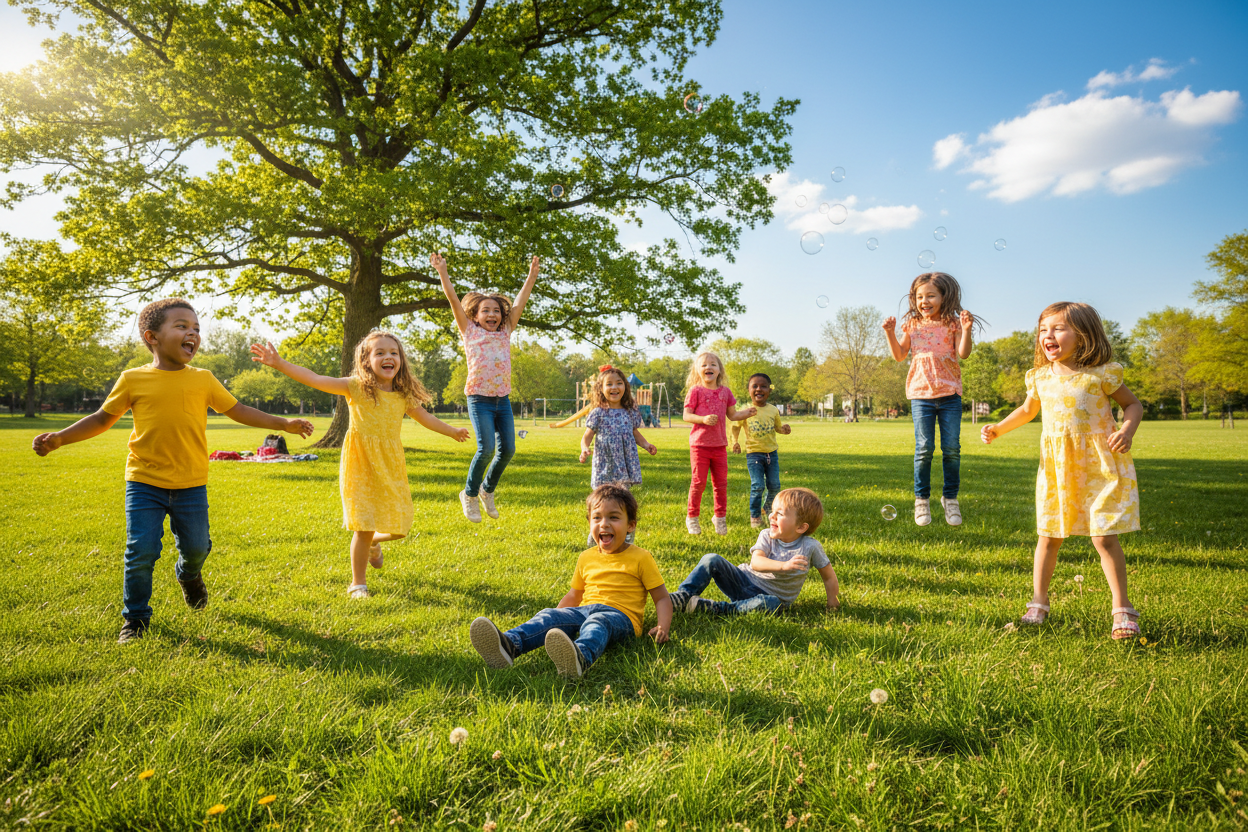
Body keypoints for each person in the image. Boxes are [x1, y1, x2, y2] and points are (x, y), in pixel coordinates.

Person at [31, 299, 314, 643]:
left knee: (196, 547)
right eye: (181, 326)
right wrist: (60, 438)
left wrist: (283, 423)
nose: (192, 333)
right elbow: (102, 418)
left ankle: (189, 574)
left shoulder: (204, 379)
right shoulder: (132, 379)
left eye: (196, 328)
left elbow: (238, 410)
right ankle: (135, 620)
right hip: (144, 480)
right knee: (141, 550)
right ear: (152, 336)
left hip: (191, 482)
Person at [251, 331, 468, 598]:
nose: (388, 357)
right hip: (360, 463)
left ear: (400, 359)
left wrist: (452, 431)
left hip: (390, 463)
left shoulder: (403, 395)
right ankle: (358, 584)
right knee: (363, 525)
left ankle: (374, 543)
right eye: (380, 353)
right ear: (366, 360)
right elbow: (316, 379)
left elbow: (426, 418)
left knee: (401, 526)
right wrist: (280, 364)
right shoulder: (355, 386)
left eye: (394, 352)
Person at [980, 302, 1143, 639]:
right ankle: (1038, 603)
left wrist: (1126, 431)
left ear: (1083, 336)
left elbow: (1133, 405)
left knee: (1103, 536)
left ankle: (1123, 609)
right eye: (1043, 330)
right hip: (1057, 468)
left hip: (1098, 466)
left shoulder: (1101, 373)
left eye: (1057, 328)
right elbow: (1026, 411)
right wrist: (999, 428)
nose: (1047, 335)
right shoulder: (1040, 377)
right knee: (1048, 536)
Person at [468, 484, 672, 679]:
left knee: (597, 622)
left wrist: (663, 626)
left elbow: (661, 597)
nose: (604, 523)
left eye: (614, 517)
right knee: (549, 615)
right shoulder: (586, 557)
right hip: (585, 609)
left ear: (630, 526)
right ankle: (509, 645)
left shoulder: (641, 557)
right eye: (597, 517)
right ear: (589, 523)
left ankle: (580, 657)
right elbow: (575, 594)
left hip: (622, 618)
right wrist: (557, 618)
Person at [435, 251, 540, 523]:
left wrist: (531, 277)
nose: (492, 314)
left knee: (508, 449)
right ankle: (469, 494)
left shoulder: (506, 330)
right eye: (486, 311)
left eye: (496, 310)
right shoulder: (469, 330)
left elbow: (519, 302)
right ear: (476, 315)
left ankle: (487, 490)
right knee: (486, 449)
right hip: (479, 399)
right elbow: (452, 299)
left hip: (502, 400)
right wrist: (443, 273)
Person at [882, 272, 979, 527]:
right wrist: (890, 333)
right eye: (919, 296)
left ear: (944, 297)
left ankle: (950, 498)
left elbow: (964, 353)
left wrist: (967, 330)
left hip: (949, 395)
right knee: (924, 450)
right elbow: (900, 355)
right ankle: (921, 500)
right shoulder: (913, 325)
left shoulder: (953, 324)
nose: (924, 301)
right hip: (920, 395)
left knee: (951, 449)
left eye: (930, 296)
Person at [668, 487, 839, 616]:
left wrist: (832, 601)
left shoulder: (810, 547)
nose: (771, 516)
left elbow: (829, 576)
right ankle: (683, 596)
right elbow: (756, 563)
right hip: (742, 581)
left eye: (779, 514)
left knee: (772, 604)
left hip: (770, 598)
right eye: (772, 511)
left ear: (801, 527)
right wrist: (784, 566)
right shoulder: (767, 535)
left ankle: (714, 608)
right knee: (711, 559)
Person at [682, 351, 756, 535]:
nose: (709, 367)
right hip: (699, 445)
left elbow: (732, 415)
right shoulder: (695, 391)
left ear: (719, 370)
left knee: (721, 484)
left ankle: (720, 518)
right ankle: (692, 518)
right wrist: (703, 419)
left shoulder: (725, 392)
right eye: (704, 365)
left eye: (713, 364)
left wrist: (746, 412)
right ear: (697, 370)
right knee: (698, 482)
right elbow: (686, 415)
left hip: (719, 446)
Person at [730, 373, 791, 528]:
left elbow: (777, 428)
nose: (759, 389)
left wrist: (783, 430)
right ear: (749, 390)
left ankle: (767, 508)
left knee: (775, 486)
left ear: (769, 390)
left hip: (772, 454)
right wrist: (735, 442)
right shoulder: (745, 410)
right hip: (754, 454)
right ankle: (755, 516)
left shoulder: (773, 410)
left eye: (763, 386)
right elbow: (735, 427)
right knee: (757, 485)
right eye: (754, 386)